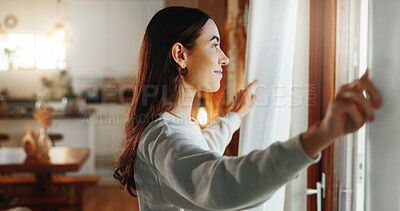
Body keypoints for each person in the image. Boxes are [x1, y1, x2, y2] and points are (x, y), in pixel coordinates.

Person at [114, 6, 382, 210]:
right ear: (180, 55)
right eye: (215, 45)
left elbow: (202, 145)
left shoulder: (173, 128)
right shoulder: (163, 138)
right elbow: (220, 184)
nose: (225, 58)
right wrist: (321, 134)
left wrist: (234, 115)